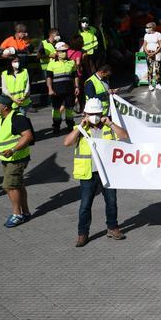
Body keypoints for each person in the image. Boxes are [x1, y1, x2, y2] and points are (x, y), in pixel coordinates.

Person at [63, 98, 128, 246]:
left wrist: (110, 123)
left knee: (111, 202)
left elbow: (124, 136)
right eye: (91, 113)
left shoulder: (107, 127)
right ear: (85, 114)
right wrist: (80, 127)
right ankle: (82, 234)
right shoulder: (80, 129)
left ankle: (112, 228)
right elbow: (67, 143)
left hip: (107, 172)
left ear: (102, 113)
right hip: (88, 173)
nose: (94, 116)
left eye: (97, 113)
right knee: (85, 205)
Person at [0, 94, 34, 227]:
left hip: (17, 158)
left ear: (5, 106)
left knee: (9, 185)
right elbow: (0, 139)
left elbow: (28, 136)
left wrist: (13, 150)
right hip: (6, 158)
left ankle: (17, 215)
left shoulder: (17, 118)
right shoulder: (0, 119)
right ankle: (25, 212)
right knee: (18, 185)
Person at [45, 41, 79, 133]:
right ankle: (56, 126)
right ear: (57, 52)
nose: (64, 53)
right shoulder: (51, 64)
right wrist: (50, 89)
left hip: (69, 90)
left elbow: (75, 75)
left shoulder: (72, 62)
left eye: (65, 51)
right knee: (56, 109)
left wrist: (77, 87)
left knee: (69, 109)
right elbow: (49, 78)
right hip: (56, 91)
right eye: (62, 51)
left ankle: (70, 125)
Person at [140, 21, 161, 91]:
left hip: (157, 54)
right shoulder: (146, 35)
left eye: (148, 27)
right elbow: (144, 44)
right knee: (150, 69)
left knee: (157, 69)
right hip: (149, 53)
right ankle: (150, 84)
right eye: (146, 27)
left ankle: (157, 83)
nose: (146, 29)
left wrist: (155, 52)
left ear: (152, 28)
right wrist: (147, 52)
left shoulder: (158, 34)